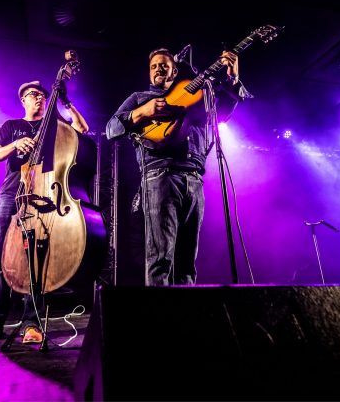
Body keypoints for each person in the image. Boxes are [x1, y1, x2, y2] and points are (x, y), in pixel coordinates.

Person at [105, 47, 249, 286]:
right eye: (154, 66)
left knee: (187, 263)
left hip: (194, 179)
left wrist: (233, 80)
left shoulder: (198, 94)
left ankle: (185, 320)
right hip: (159, 175)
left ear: (175, 69)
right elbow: (111, 129)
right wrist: (142, 112)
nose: (159, 68)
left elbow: (221, 115)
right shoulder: (140, 97)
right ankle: (161, 322)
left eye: (164, 64)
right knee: (160, 259)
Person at [0, 79, 89, 343]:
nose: (39, 98)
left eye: (43, 95)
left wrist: (65, 101)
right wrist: (16, 144)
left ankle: (31, 322)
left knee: (36, 260)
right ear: (23, 100)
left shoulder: (53, 128)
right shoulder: (11, 126)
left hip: (43, 195)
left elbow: (82, 129)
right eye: (33, 94)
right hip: (12, 195)